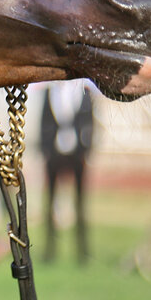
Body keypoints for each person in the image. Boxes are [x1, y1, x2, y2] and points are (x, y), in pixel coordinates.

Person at [39, 79, 95, 264]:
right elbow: (44, 120)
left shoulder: (85, 93)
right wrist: (46, 150)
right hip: (55, 153)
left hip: (76, 154)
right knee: (50, 204)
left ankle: (83, 251)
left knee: (80, 203)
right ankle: (49, 251)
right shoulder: (49, 92)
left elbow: (90, 123)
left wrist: (86, 150)